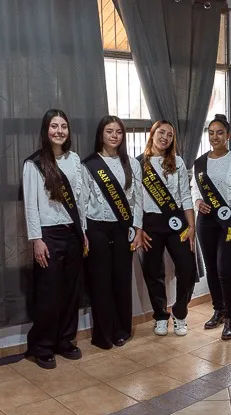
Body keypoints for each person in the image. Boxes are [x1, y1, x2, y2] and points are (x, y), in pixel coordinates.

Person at [22, 109, 88, 369]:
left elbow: (80, 201)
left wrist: (83, 233)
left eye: (63, 126)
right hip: (48, 235)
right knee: (49, 294)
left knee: (71, 291)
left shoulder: (74, 160)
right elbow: (31, 206)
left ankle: (65, 340)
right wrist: (36, 239)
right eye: (54, 126)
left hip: (73, 233)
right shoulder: (34, 164)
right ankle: (43, 346)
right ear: (45, 130)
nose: (59, 131)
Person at [82, 116, 147, 350]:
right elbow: (82, 202)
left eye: (118, 132)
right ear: (101, 134)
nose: (114, 136)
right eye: (109, 131)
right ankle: (102, 334)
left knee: (121, 280)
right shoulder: (88, 164)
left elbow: (138, 200)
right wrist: (83, 233)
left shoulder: (132, 163)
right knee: (100, 282)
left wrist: (138, 229)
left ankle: (122, 330)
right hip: (96, 226)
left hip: (124, 228)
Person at [192, 114, 231, 340]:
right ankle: (218, 310)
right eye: (211, 132)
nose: (215, 137)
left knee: (225, 269)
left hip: (230, 220)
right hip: (205, 221)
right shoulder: (200, 162)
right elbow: (194, 188)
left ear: (227, 135)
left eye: (220, 133)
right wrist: (197, 201)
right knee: (213, 269)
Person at [138, 120, 197, 338]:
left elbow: (185, 196)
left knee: (188, 268)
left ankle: (179, 314)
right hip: (150, 224)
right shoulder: (139, 163)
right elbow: (135, 200)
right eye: (161, 132)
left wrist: (192, 226)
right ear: (152, 134)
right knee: (153, 272)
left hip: (176, 222)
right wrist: (138, 229)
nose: (165, 137)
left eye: (170, 135)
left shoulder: (177, 162)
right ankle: (160, 316)